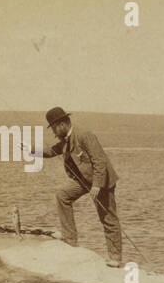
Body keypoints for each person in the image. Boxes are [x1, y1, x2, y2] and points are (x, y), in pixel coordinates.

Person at [35, 107, 124, 267]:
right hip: (83, 181)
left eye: (54, 127)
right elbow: (53, 150)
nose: (54, 131)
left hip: (102, 180)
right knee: (62, 195)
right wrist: (33, 151)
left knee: (108, 219)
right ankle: (70, 239)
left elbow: (100, 161)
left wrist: (97, 185)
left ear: (62, 124)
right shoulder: (66, 139)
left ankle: (115, 258)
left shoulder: (84, 135)